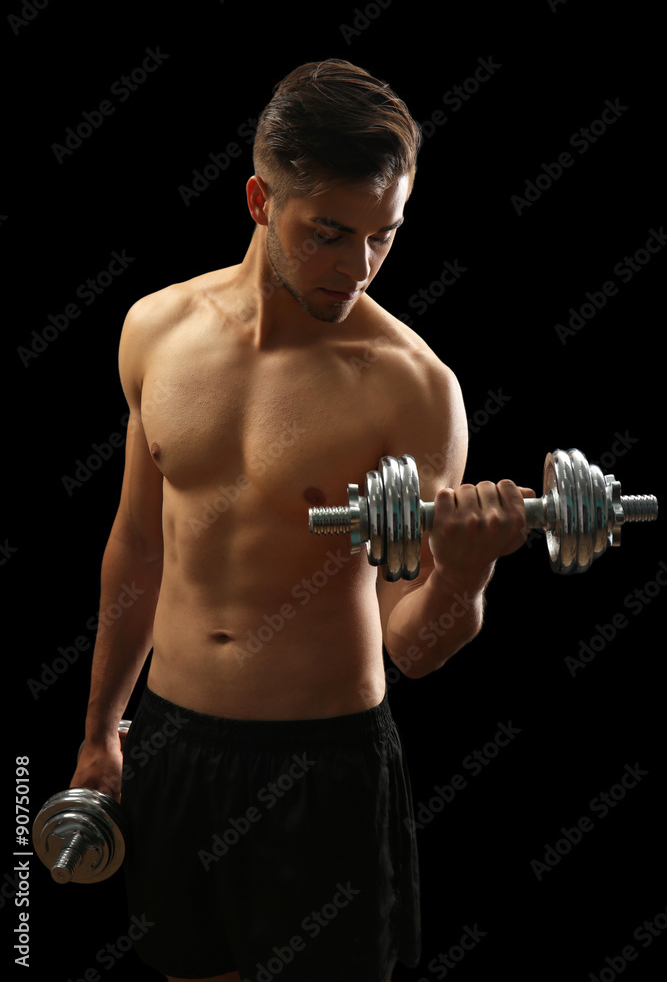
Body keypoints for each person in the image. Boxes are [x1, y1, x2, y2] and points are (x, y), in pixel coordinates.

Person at [70, 59, 533, 982]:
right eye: (329, 232)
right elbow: (136, 549)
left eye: (382, 237)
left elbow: (414, 645)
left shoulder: (412, 389)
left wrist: (466, 574)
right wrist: (100, 731)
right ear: (257, 199)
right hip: (170, 742)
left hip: (321, 771)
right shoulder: (155, 330)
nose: (356, 267)